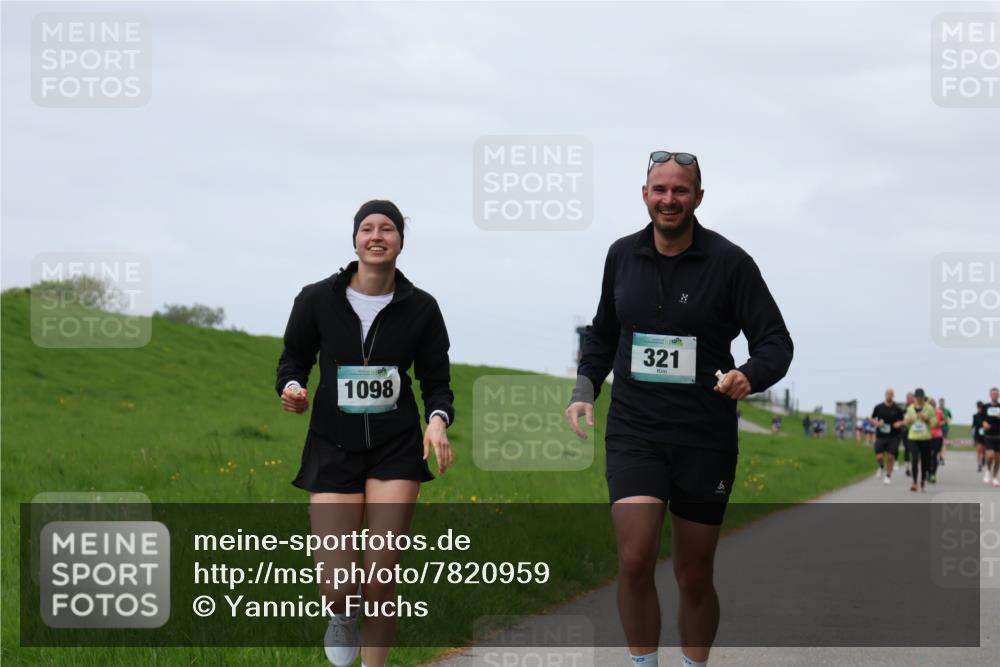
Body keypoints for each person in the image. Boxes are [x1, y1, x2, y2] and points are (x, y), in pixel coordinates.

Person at [564, 151, 793, 667]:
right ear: (645, 194)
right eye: (660, 190)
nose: (670, 200)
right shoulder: (621, 255)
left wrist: (749, 374)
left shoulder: (731, 263)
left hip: (703, 436)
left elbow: (776, 342)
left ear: (698, 198)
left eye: (681, 191)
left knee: (694, 573)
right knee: (635, 557)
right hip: (635, 431)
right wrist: (585, 390)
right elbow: (602, 336)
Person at [275, 200, 455, 667]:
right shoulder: (317, 299)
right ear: (355, 240)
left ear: (400, 241)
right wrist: (292, 388)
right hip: (332, 447)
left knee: (380, 576)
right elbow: (293, 360)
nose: (377, 236)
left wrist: (437, 421)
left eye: (388, 229)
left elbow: (436, 382)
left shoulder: (422, 308)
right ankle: (341, 614)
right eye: (368, 228)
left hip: (396, 448)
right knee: (338, 587)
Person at [903, 388, 938, 492]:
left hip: (925, 437)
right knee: (914, 459)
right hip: (913, 437)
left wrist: (926, 418)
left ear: (923, 397)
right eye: (917, 397)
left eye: (921, 397)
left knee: (924, 460)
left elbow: (934, 423)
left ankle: (922, 480)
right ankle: (914, 482)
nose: (919, 399)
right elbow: (906, 420)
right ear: (914, 397)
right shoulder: (910, 408)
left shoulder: (929, 408)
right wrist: (908, 421)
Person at [871, 388, 905, 485]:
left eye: (890, 394)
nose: (888, 395)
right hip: (881, 436)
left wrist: (899, 423)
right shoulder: (878, 407)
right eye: (887, 394)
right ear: (885, 395)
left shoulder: (897, 409)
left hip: (893, 436)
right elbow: (872, 419)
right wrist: (877, 423)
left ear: (893, 396)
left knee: (890, 457)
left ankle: (888, 476)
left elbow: (903, 420)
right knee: (879, 457)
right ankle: (881, 467)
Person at [983, 387, 1000, 487]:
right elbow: (979, 417)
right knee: (990, 455)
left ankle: (994, 478)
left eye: (996, 394)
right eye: (993, 394)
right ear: (990, 395)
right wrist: (983, 422)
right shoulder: (986, 406)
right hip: (989, 435)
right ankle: (988, 470)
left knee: (998, 459)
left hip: (999, 435)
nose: (995, 395)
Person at [927, 397, 944, 483]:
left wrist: (939, 423)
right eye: (929, 405)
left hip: (937, 436)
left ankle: (933, 474)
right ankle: (928, 471)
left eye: (932, 405)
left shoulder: (939, 412)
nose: (931, 407)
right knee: (927, 455)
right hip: (927, 436)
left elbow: (944, 421)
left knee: (934, 455)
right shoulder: (925, 413)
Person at [973, 401, 986, 473]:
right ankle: (979, 464)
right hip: (978, 435)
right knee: (978, 450)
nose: (979, 409)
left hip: (985, 435)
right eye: (978, 407)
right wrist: (971, 428)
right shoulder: (975, 416)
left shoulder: (986, 416)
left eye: (981, 407)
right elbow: (974, 424)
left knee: (984, 450)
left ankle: (983, 458)